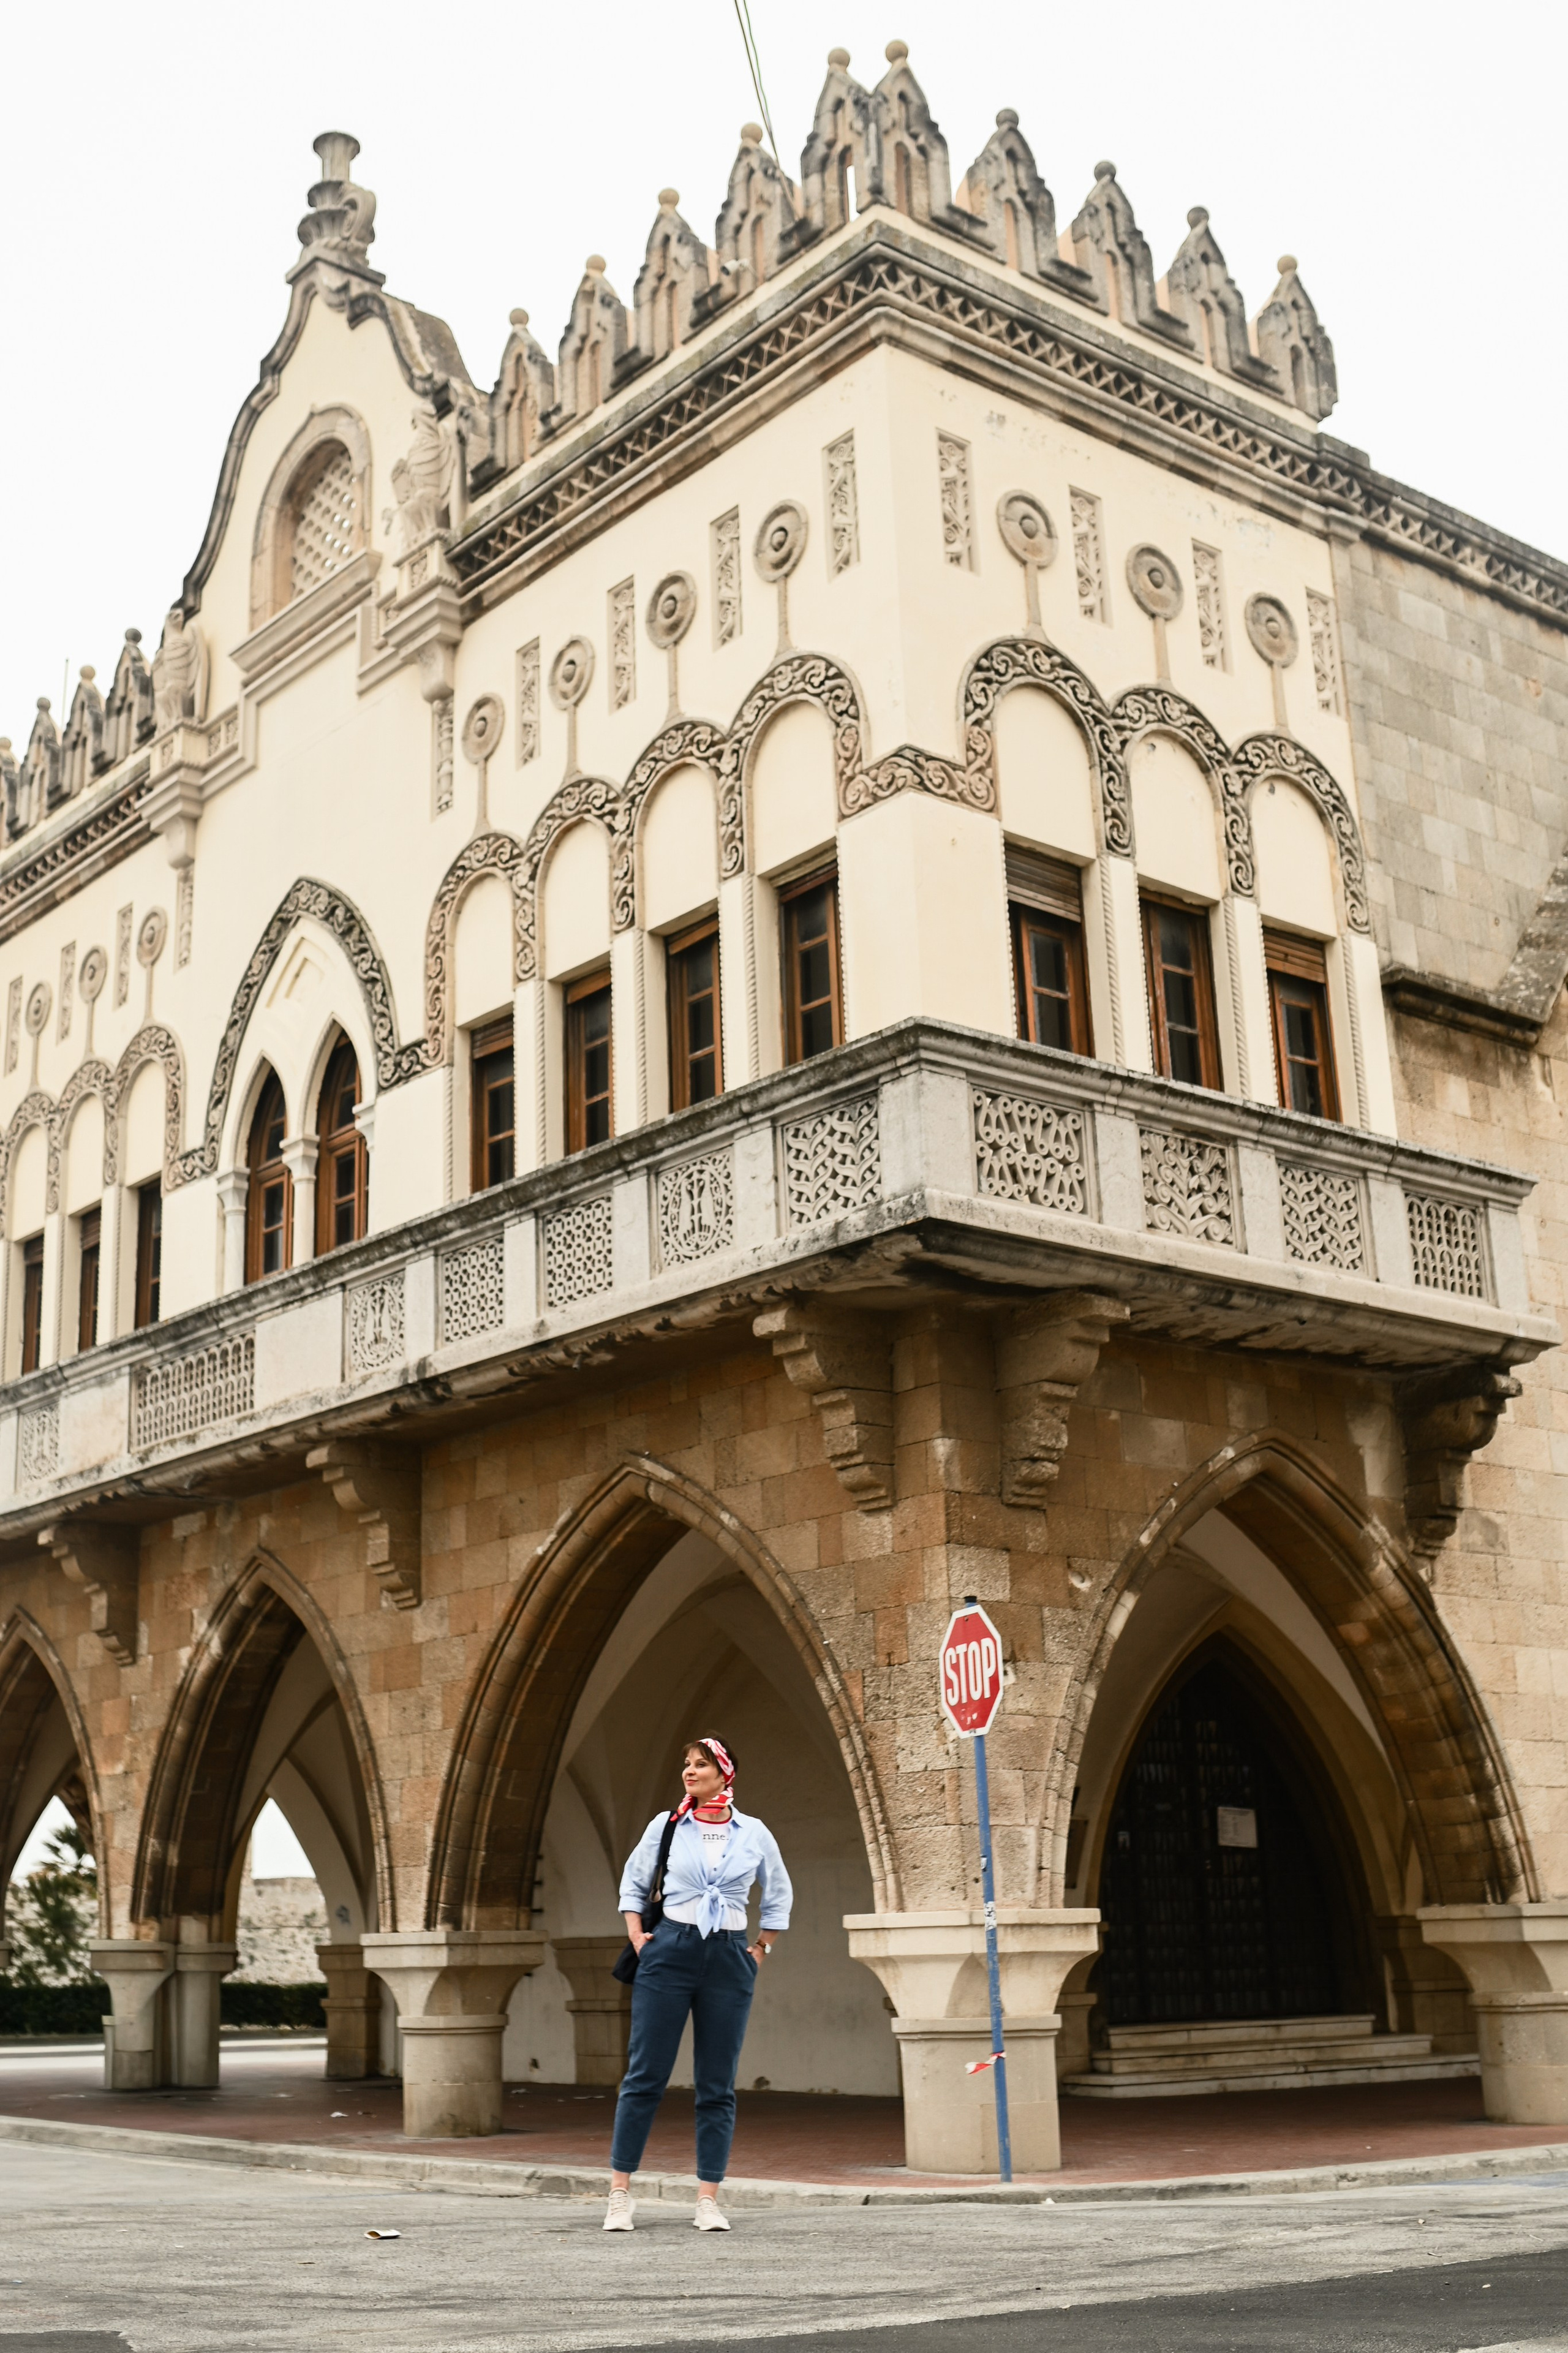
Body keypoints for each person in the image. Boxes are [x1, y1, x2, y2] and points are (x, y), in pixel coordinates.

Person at [603, 1734, 791, 2232]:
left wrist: (760, 1948)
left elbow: (779, 1892)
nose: (690, 1771)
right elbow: (634, 1882)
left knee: (717, 2082)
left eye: (701, 1763)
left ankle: (708, 2197)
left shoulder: (752, 1832)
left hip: (729, 1955)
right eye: (686, 1763)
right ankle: (619, 2193)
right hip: (670, 1949)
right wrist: (639, 1937)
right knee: (645, 2075)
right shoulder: (668, 1825)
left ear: (724, 1771)